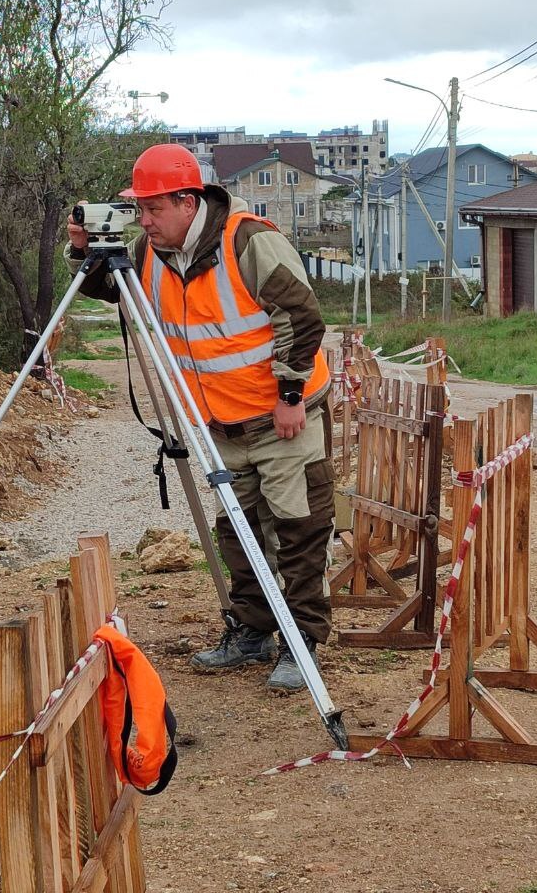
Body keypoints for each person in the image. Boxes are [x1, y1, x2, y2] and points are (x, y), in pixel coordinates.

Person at [66, 143, 334, 693]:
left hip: (282, 417)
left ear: (188, 203)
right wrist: (85, 252)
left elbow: (302, 315)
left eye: (153, 208)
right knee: (239, 530)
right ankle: (254, 632)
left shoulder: (249, 241)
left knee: (298, 532)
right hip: (219, 425)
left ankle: (301, 642)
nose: (144, 220)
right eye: (139, 209)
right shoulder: (150, 251)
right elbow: (113, 293)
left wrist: (289, 393)